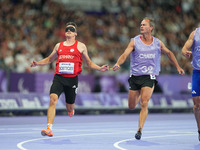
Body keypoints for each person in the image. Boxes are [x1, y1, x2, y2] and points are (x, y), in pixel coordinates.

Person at [31, 22, 109, 137]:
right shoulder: (58, 46)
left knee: (69, 107)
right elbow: (49, 60)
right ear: (64, 33)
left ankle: (71, 110)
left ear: (75, 34)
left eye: (71, 29)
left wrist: (100, 68)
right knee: (53, 99)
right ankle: (49, 128)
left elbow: (89, 63)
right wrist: (37, 63)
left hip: (72, 80)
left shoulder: (81, 46)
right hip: (59, 78)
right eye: (67, 29)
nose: (69, 30)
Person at [112, 17, 185, 140]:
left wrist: (178, 66)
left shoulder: (157, 43)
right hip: (135, 77)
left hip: (149, 76)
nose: (141, 26)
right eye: (141, 24)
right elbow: (125, 54)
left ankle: (139, 130)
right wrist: (118, 63)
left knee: (144, 103)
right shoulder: (134, 41)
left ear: (151, 28)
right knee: (131, 106)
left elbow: (169, 53)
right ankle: (141, 93)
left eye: (144, 25)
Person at [182, 27, 200, 141]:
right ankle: (199, 130)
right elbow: (184, 48)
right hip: (197, 73)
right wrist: (185, 52)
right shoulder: (195, 33)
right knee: (196, 106)